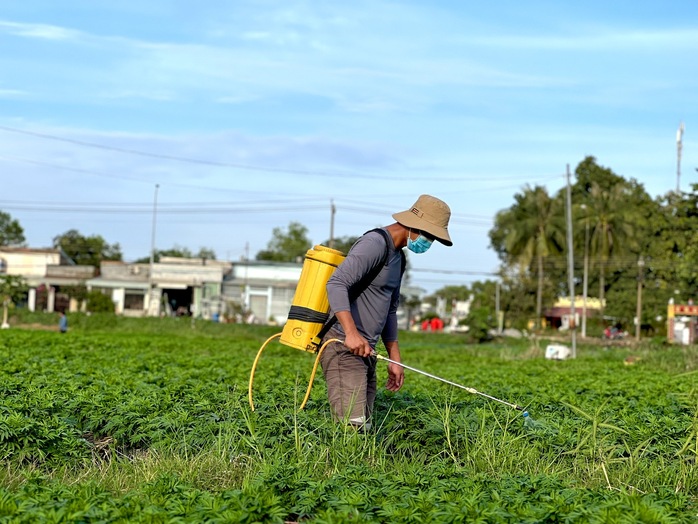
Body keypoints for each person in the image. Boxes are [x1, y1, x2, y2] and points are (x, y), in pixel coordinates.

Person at [320, 194, 453, 429]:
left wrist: (395, 358)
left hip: (366, 350)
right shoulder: (375, 244)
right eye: (430, 236)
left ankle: (360, 463)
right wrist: (351, 333)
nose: (429, 243)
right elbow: (336, 284)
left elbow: (390, 311)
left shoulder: (398, 258)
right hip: (343, 344)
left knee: (364, 424)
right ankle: (335, 466)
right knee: (353, 426)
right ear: (415, 225)